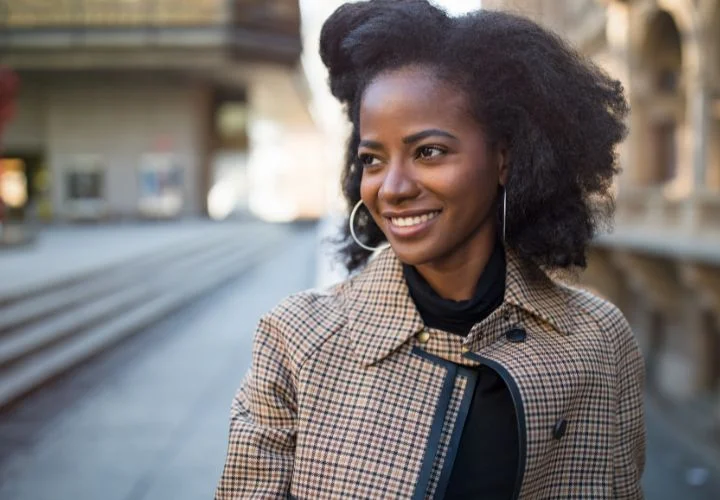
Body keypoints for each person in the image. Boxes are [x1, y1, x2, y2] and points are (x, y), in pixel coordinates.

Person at [216, 0, 645, 498]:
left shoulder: (597, 340)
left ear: (505, 159)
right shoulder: (295, 340)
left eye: (429, 152)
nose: (391, 187)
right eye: (373, 159)